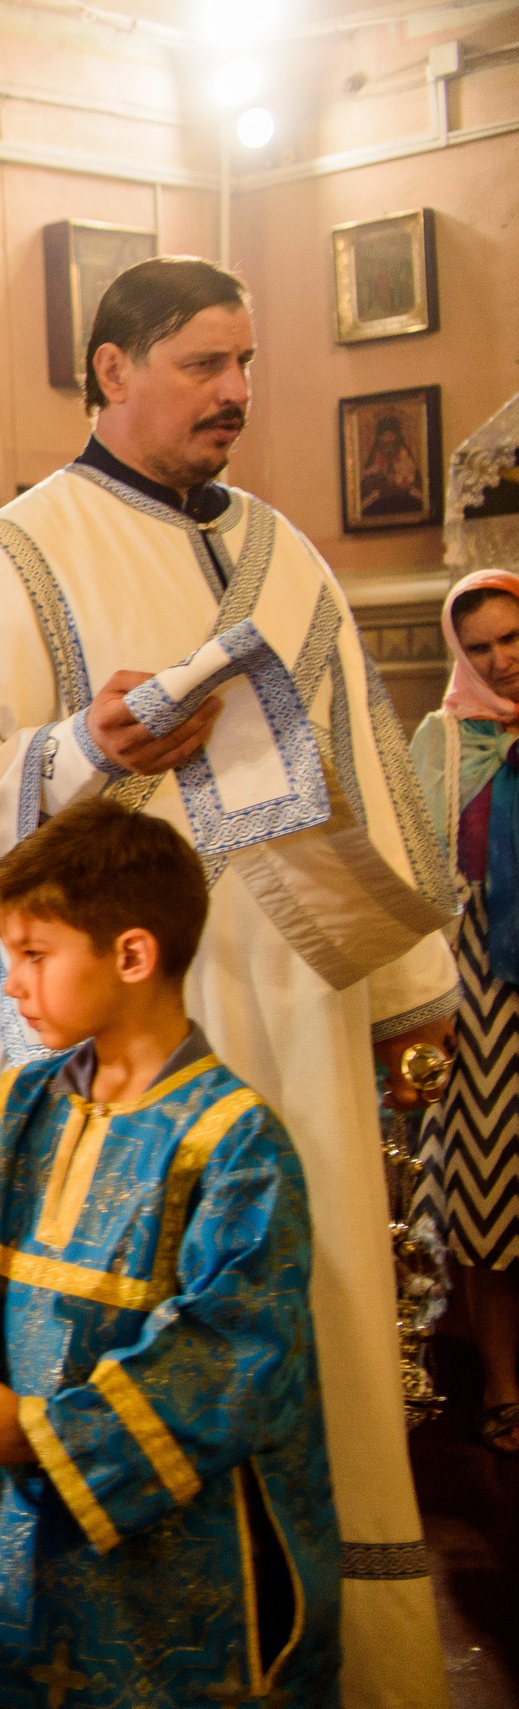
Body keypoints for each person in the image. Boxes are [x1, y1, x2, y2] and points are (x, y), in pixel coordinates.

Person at [0, 256, 454, 1707]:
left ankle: (321, 1657)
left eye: (246, 365)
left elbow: (373, 781)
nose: (237, 395)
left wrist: (400, 995)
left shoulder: (289, 553)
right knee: (120, 1317)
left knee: (307, 1304)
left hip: (298, 1011)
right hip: (113, 1046)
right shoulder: (16, 555)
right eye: (206, 364)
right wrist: (88, 751)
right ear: (109, 367)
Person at [0, 797, 340, 1709]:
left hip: (164, 1564)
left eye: (36, 953)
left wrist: (41, 1431)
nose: (12, 983)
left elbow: (234, 1353)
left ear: (132, 955)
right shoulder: (21, 1105)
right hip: (3, 1524)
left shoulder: (233, 1140)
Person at [410, 570, 519, 1455]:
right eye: (479, 646)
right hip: (481, 985)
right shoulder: (443, 741)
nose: (500, 658)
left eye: (511, 638)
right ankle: (502, 1383)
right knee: (489, 1193)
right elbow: (416, 877)